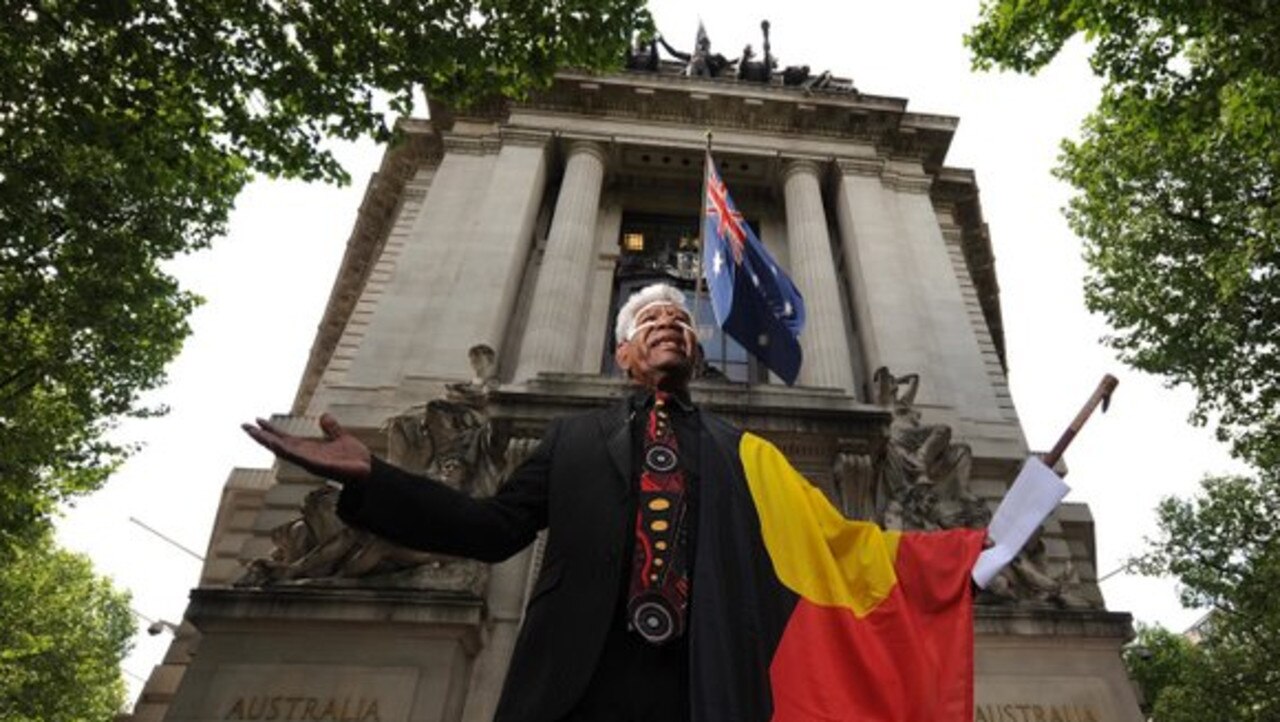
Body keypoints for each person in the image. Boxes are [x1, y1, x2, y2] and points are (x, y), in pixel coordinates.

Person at [244, 283, 986, 722]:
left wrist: (975, 546)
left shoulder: (750, 454)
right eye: (650, 323)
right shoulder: (570, 440)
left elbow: (845, 549)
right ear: (625, 355)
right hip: (575, 684)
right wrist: (374, 477)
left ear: (694, 353)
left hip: (705, 686)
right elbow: (492, 528)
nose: (670, 325)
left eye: (681, 322)